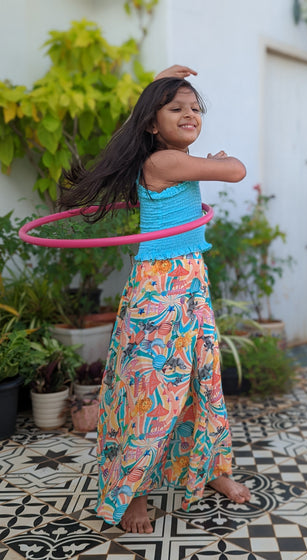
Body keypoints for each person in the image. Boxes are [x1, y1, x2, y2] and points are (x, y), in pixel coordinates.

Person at [59, 65, 250, 534]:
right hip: (160, 293)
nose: (190, 114)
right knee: (150, 391)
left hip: (191, 284)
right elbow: (236, 171)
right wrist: (219, 159)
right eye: (175, 108)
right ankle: (133, 493)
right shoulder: (163, 162)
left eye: (195, 108)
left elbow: (204, 163)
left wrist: (157, 93)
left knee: (203, 380)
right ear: (152, 123)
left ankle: (213, 469)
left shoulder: (174, 158)